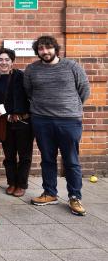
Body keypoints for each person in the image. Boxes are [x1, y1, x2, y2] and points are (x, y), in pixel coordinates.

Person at [25, 35, 90, 216]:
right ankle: (50, 193)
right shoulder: (32, 69)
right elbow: (29, 91)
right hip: (42, 120)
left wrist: (71, 107)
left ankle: (75, 197)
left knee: (71, 160)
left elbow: (84, 89)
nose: (45, 52)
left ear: (55, 48)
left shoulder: (72, 66)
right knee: (47, 158)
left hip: (69, 120)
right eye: (41, 49)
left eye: (48, 48)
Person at [0, 47, 32, 198]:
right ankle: (12, 183)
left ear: (12, 62)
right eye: (0, 59)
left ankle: (21, 184)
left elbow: (32, 95)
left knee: (25, 155)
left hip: (24, 122)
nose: (4, 62)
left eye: (7, 59)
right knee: (9, 155)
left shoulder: (22, 76)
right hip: (5, 123)